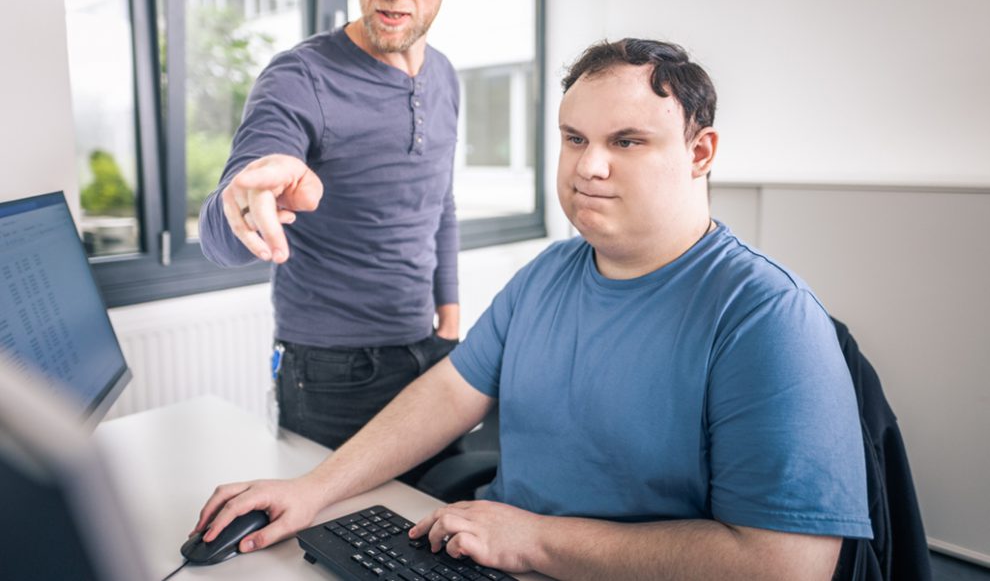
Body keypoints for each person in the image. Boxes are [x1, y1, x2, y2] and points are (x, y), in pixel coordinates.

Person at [194, 38, 873, 579]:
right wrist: (313, 489)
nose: (588, 167)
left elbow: (789, 564)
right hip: (494, 558)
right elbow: (448, 393)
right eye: (574, 139)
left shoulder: (766, 317)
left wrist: (536, 541)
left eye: (626, 141)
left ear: (701, 152)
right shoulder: (549, 272)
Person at [198, 0, 467, 453]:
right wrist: (240, 201)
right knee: (328, 543)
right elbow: (218, 230)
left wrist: (449, 318)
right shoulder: (299, 78)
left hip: (428, 356)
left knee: (433, 533)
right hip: (330, 376)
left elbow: (439, 204)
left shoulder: (446, 78)